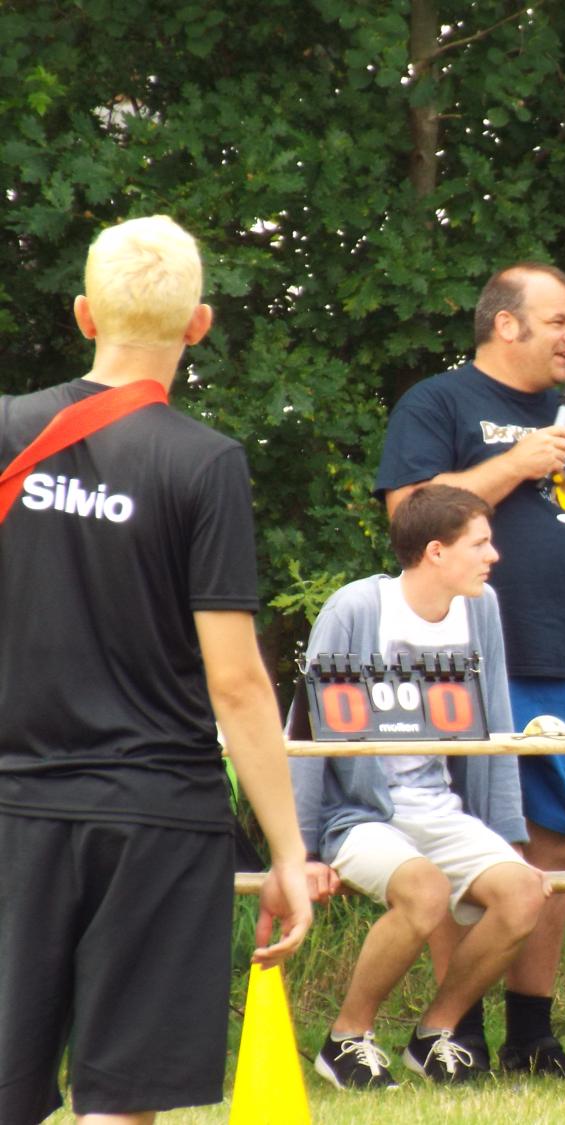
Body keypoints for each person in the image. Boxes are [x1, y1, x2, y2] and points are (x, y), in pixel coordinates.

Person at [0, 215, 311, 1125]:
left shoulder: (7, 432)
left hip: (14, 803)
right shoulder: (205, 463)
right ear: (199, 324)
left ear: (84, 314)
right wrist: (288, 851)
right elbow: (237, 682)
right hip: (156, 813)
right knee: (120, 1100)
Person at [375, 262, 565, 1078]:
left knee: (556, 839)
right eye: (560, 321)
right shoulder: (438, 403)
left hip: (557, 662)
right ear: (507, 324)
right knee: (465, 840)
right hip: (457, 661)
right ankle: (457, 1032)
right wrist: (516, 462)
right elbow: (410, 512)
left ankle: (533, 1036)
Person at [294, 484, 550, 1086]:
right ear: (436, 551)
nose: (493, 556)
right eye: (480, 544)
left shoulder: (480, 607)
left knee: (524, 893)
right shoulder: (356, 609)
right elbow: (305, 734)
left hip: (438, 808)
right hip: (360, 815)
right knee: (425, 891)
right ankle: (345, 1040)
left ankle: (435, 1034)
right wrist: (300, 852)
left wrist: (507, 834)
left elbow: (494, 725)